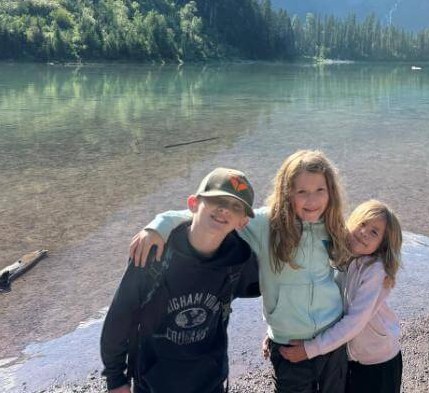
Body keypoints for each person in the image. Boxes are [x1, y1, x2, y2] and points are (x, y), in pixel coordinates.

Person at [130, 150, 350, 393]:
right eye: (302, 192)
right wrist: (159, 226)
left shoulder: (332, 225)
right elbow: (202, 218)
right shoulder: (268, 224)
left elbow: (353, 259)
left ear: (331, 191)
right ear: (288, 193)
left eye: (320, 190)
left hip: (331, 335)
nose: (313, 200)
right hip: (288, 341)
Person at [100, 167, 260, 393]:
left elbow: (276, 285)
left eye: (235, 207)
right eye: (217, 201)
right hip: (154, 383)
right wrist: (115, 378)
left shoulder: (239, 260)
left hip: (210, 382)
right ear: (193, 204)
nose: (224, 210)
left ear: (242, 221)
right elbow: (120, 317)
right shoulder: (154, 252)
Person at [279, 200, 403, 393]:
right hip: (347, 358)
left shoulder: (375, 271)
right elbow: (312, 294)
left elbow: (354, 322)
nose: (364, 233)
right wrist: (277, 333)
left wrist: (309, 349)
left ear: (382, 244)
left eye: (374, 232)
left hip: (378, 361)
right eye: (363, 224)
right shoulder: (338, 255)